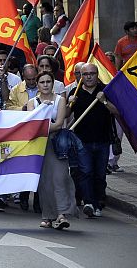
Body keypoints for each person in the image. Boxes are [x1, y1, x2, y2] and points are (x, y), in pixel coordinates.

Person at [66, 63, 120, 218]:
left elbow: (117, 112)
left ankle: (98, 202)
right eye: (85, 74)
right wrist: (70, 102)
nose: (88, 77)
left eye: (92, 73)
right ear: (80, 76)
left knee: (100, 174)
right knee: (86, 172)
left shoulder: (106, 90)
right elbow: (65, 115)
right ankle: (89, 202)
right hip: (82, 142)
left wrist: (103, 101)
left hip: (103, 140)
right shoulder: (75, 92)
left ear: (97, 75)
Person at [27, 72, 77, 230]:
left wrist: (40, 127)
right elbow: (30, 125)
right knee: (44, 182)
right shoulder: (31, 102)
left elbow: (59, 123)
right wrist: (40, 127)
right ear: (37, 84)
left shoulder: (60, 100)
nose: (46, 84)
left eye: (49, 81)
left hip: (58, 144)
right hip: (38, 145)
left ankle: (62, 214)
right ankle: (47, 216)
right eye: (42, 82)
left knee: (60, 178)